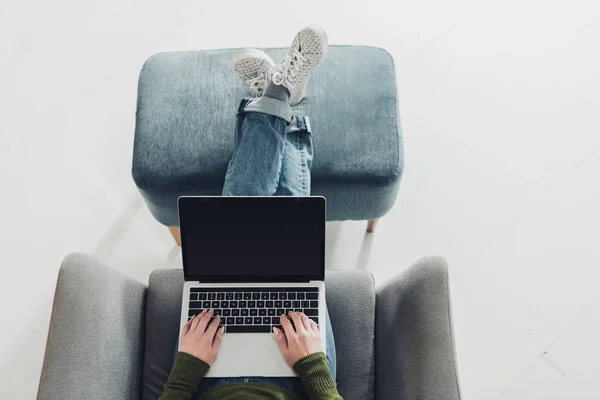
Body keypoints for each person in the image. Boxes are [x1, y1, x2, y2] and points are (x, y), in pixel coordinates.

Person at [158, 25, 343, 400]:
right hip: (298, 382)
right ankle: (279, 96)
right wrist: (312, 366)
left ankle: (275, 99)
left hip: (207, 380)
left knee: (237, 221)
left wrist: (184, 373)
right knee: (291, 259)